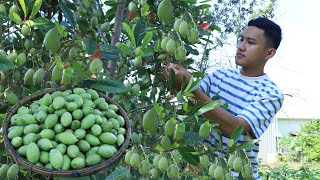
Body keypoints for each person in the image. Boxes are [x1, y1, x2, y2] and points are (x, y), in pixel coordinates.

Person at [163, 17, 284, 179]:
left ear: (269, 53)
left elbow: (235, 129)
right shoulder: (220, 76)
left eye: (251, 42)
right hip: (205, 173)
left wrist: (190, 86)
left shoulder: (270, 94)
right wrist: (171, 67)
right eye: (241, 39)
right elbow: (187, 98)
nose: (241, 46)